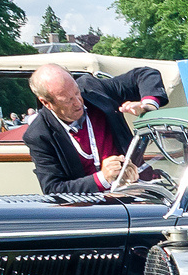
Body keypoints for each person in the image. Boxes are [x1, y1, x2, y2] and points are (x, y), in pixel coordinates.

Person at [22, 62, 167, 194]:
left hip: (142, 190)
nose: (78, 102)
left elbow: (146, 74)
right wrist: (102, 178)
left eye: (77, 92)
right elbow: (53, 188)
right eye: (67, 100)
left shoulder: (92, 89)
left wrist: (148, 105)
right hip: (93, 207)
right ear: (46, 103)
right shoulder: (39, 135)